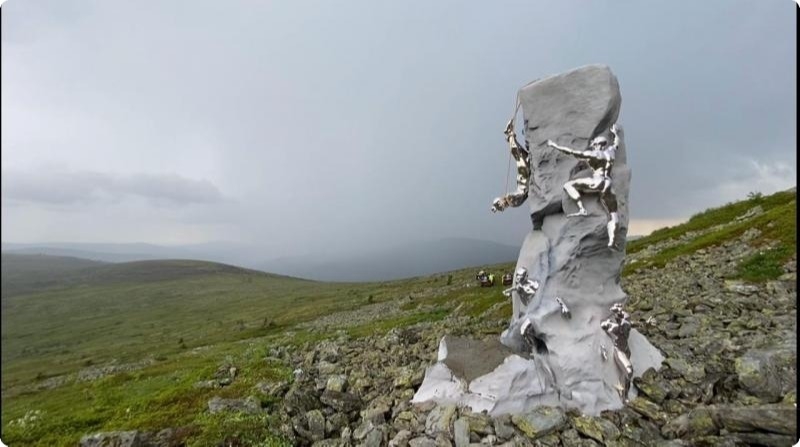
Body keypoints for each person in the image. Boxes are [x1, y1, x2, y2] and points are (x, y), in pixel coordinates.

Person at [546, 124, 621, 248]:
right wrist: (615, 134)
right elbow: (616, 144)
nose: (592, 143)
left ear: (597, 144)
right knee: (613, 213)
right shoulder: (610, 152)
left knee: (568, 185)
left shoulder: (593, 155)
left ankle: (582, 208)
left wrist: (554, 145)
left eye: (594, 142)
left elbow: (572, 152)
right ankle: (612, 241)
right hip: (608, 183)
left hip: (597, 181)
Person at [491, 119, 532, 213]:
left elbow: (516, 195)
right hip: (525, 179)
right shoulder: (512, 202)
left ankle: (510, 135)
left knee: (519, 155)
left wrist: (508, 198)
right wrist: (509, 198)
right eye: (501, 206)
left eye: (499, 203)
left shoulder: (511, 200)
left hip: (524, 177)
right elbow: (519, 195)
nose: (502, 204)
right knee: (520, 155)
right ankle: (510, 135)